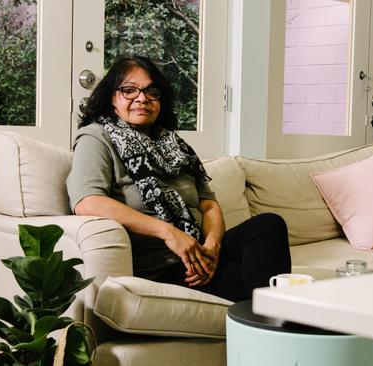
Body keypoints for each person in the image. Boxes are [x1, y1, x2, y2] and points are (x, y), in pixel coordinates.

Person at [66, 55, 291, 302]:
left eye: (152, 91)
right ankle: (275, 316)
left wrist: (212, 246)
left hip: (199, 249)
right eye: (129, 90)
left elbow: (208, 204)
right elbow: (88, 201)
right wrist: (170, 233)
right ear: (111, 97)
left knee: (268, 225)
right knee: (265, 285)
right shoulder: (97, 137)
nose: (142, 98)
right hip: (164, 265)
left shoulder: (173, 144)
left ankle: (272, 315)